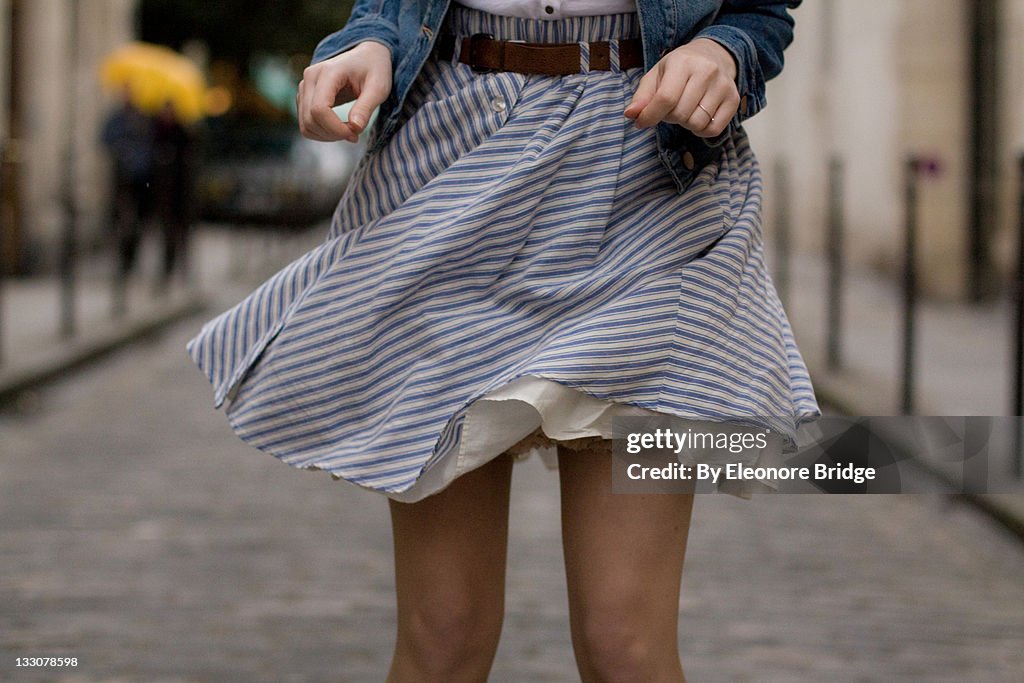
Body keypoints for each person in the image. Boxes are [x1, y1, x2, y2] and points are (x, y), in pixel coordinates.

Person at [187, 0, 818, 680]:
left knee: (624, 644)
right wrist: (371, 41)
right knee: (443, 640)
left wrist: (725, 51)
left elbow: (760, 9)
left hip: (648, 161)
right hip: (454, 152)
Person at [101, 88, 155, 280]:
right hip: (121, 176)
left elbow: (151, 146)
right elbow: (105, 139)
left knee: (138, 221)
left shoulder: (144, 119)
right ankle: (123, 260)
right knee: (120, 219)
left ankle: (132, 259)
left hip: (141, 178)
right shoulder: (117, 119)